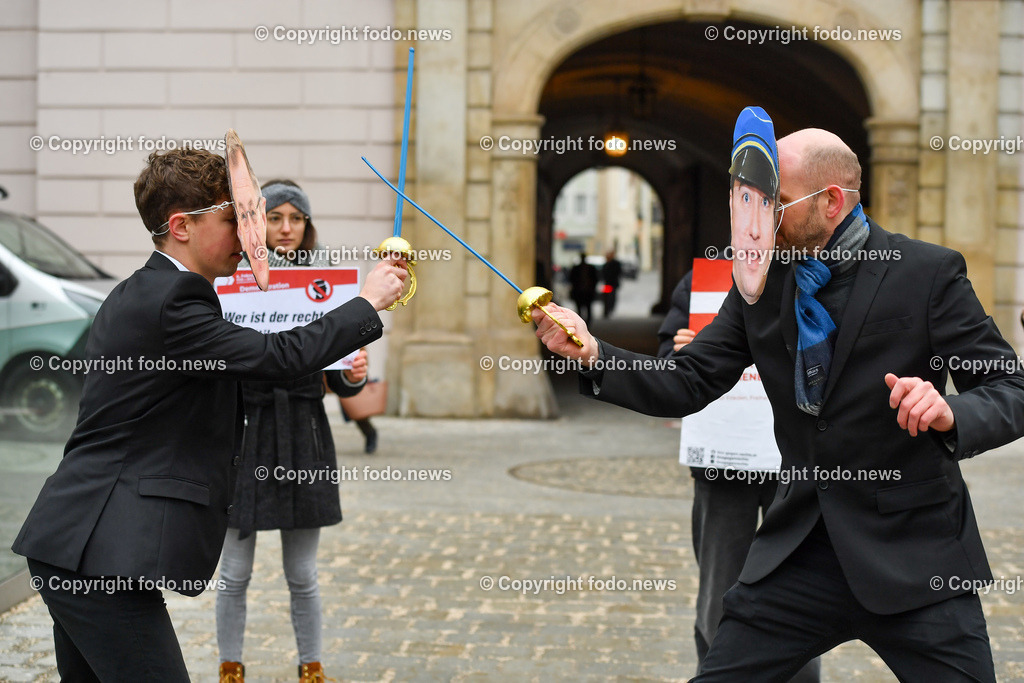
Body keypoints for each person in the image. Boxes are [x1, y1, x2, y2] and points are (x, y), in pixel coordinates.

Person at [534, 126, 1024, 681]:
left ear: (832, 201)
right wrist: (595, 353)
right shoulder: (761, 285)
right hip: (799, 553)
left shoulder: (928, 273)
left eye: (777, 202)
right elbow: (689, 380)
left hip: (916, 557)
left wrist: (952, 412)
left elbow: (1011, 390)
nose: (761, 218)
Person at [12, 148, 406, 681]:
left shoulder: (148, 291)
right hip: (98, 552)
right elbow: (275, 358)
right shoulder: (175, 300)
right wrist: (366, 303)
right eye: (236, 221)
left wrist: (344, 368)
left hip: (82, 545)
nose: (254, 239)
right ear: (181, 227)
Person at [216, 180, 371, 682]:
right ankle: (230, 667)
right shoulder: (230, 277)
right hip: (244, 434)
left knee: (302, 574)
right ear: (258, 222)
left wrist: (354, 372)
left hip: (303, 434)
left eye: (296, 219)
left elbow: (344, 382)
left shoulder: (327, 286)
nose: (286, 229)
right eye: (276, 217)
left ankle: (311, 667)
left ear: (307, 227)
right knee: (234, 573)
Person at [658, 270, 820, 682]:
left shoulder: (819, 276)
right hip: (724, 462)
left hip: (795, 465)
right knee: (721, 588)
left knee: (800, 589)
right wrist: (684, 354)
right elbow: (667, 370)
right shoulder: (702, 281)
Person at [568, 252, 598, 322]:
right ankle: (581, 323)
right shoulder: (576, 268)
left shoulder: (590, 268)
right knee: (580, 309)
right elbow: (571, 279)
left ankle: (586, 323)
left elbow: (595, 279)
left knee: (587, 309)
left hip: (587, 292)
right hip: (579, 292)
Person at [601, 249, 623, 318]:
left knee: (610, 298)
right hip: (608, 284)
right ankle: (607, 310)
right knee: (607, 298)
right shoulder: (608, 264)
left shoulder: (614, 264)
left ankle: (608, 310)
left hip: (611, 284)